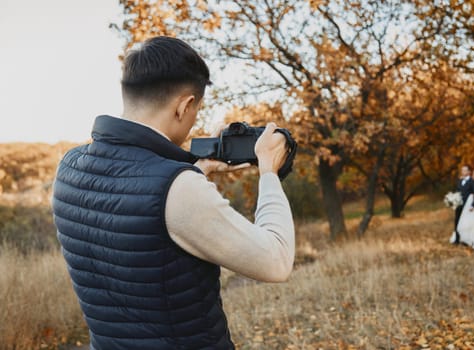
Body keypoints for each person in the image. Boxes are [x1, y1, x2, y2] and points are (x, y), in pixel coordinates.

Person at [51, 36, 295, 349]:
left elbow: (140, 215)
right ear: (184, 106)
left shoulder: (69, 167)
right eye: (195, 111)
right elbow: (275, 262)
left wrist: (199, 169)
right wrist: (269, 172)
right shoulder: (178, 188)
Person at [450, 165, 474, 244]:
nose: (463, 172)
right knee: (457, 221)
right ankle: (457, 238)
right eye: (462, 170)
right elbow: (456, 191)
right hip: (458, 205)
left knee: (466, 223)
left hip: (467, 206)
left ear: (469, 172)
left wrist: (473, 205)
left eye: (465, 170)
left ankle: (466, 240)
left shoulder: (472, 181)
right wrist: (453, 201)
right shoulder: (459, 181)